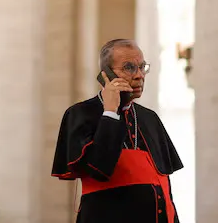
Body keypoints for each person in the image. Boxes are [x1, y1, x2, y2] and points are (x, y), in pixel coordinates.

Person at [50, 39, 183, 223]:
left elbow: (164, 185)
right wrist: (110, 112)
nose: (139, 76)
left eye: (142, 67)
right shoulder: (80, 113)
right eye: (129, 68)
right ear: (107, 74)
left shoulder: (149, 117)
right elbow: (99, 168)